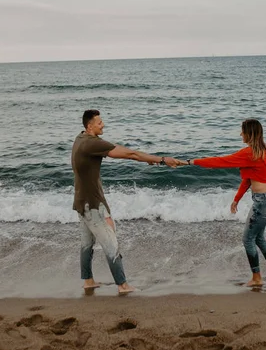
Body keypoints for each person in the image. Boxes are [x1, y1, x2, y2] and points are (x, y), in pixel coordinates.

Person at [71, 109, 183, 295]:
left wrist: (148, 160)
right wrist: (162, 160)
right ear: (89, 126)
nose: (103, 125)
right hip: (92, 204)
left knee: (87, 243)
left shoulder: (80, 139)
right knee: (111, 244)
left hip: (81, 201)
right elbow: (131, 154)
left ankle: (88, 281)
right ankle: (122, 285)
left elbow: (129, 153)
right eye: (99, 123)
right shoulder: (91, 144)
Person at [183, 119, 266, 287]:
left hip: (262, 201)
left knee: (248, 239)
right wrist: (237, 199)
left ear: (249, 133)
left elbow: (220, 161)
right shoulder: (264, 150)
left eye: (242, 131)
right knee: (258, 237)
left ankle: (257, 278)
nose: (240, 134)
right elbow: (249, 179)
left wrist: (192, 161)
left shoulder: (249, 153)